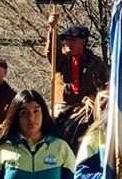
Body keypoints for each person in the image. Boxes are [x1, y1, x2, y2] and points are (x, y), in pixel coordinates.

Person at [46, 15, 108, 150]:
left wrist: (95, 99)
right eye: (66, 40)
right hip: (63, 107)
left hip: (87, 107)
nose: (68, 43)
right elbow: (52, 52)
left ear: (83, 41)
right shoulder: (62, 61)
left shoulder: (96, 63)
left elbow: (107, 85)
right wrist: (52, 30)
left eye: (72, 40)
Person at [0, 89, 75, 178]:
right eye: (24, 113)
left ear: (44, 113)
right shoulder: (1, 151)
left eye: (36, 111)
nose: (31, 118)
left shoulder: (61, 148)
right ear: (16, 117)